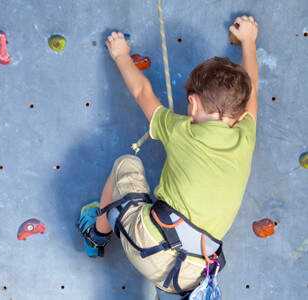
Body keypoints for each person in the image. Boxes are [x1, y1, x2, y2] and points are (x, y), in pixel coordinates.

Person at [77, 15, 259, 299]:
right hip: (189, 279)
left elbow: (142, 92)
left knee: (126, 165)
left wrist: (121, 54)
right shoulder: (246, 137)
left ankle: (96, 234)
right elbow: (253, 94)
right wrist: (248, 41)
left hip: (149, 248)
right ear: (242, 116)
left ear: (193, 104)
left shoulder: (181, 130)